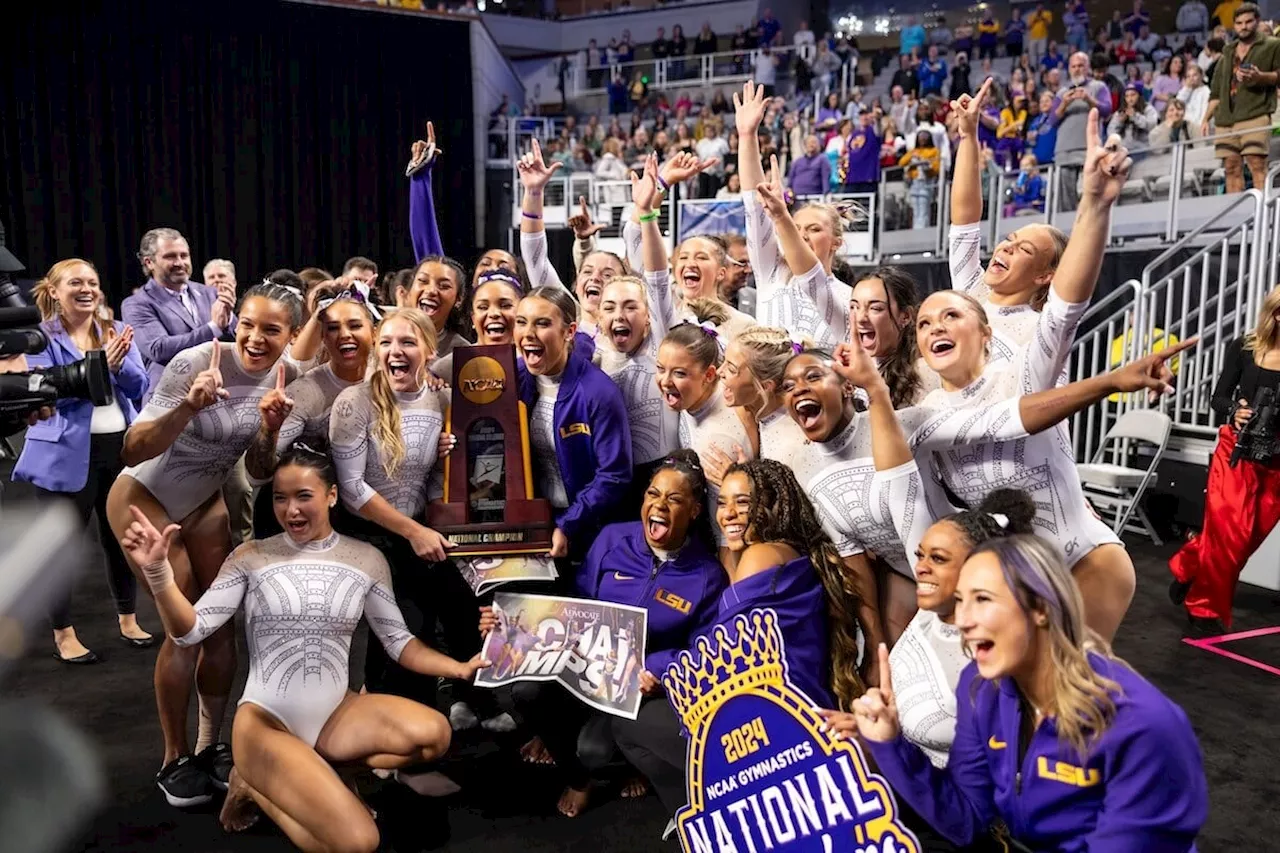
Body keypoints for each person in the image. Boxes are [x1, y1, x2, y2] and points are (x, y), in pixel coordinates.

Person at [119, 445, 486, 850]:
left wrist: (458, 668)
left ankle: (320, 770)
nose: (291, 509)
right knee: (357, 842)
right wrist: (158, 573)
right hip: (266, 723)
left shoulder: (366, 558)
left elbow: (399, 643)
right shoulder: (251, 556)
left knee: (434, 733)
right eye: (280, 497)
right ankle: (253, 786)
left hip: (335, 714)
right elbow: (190, 631)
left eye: (303, 496)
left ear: (331, 496)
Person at [836, 535, 1208, 852]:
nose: (964, 620)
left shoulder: (1143, 726)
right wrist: (889, 744)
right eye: (961, 600)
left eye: (983, 599)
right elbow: (966, 818)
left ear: (1041, 608)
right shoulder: (981, 689)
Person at [106, 281, 303, 807]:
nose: (255, 338)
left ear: (293, 335)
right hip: (143, 495)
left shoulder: (290, 378)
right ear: (235, 319)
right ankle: (174, 758)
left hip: (205, 501)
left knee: (218, 625)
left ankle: (209, 744)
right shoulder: (196, 361)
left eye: (271, 329)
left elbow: (259, 470)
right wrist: (186, 409)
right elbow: (131, 450)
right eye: (248, 324)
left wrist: (269, 429)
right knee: (185, 628)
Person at [613, 459, 867, 825]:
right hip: (796, 724)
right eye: (722, 502)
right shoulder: (786, 554)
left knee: (626, 724)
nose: (729, 514)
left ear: (770, 506)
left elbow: (722, 663)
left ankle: (709, 821)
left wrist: (657, 665)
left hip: (770, 736)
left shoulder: (760, 557)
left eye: (743, 503)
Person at [492, 452, 724, 818]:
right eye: (652, 494)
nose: (659, 505)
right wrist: (509, 626)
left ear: (695, 510)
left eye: (674, 499)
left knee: (593, 750)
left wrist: (657, 670)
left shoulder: (707, 575)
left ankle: (626, 759)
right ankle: (577, 777)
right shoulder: (613, 538)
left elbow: (703, 648)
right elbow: (577, 603)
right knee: (522, 690)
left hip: (636, 687)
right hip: (585, 663)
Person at [13, 259, 154, 663]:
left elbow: (138, 384)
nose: (87, 288)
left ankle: (128, 618)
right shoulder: (37, 338)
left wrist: (115, 364)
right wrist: (98, 367)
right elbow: (42, 391)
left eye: (92, 281)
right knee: (60, 550)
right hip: (61, 456)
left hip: (117, 449)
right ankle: (64, 633)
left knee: (119, 540)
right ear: (54, 291)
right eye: (76, 282)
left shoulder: (111, 332)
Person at [1170, 287, 1280, 629]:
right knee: (1232, 535)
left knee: (1249, 538)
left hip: (1276, 461)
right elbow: (1217, 397)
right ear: (1276, 314)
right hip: (1236, 452)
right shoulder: (1245, 347)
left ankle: (1188, 565)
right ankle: (1204, 607)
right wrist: (1235, 411)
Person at [737, 81, 856, 350]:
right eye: (796, 226)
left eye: (814, 229)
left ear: (836, 241)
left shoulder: (849, 297)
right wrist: (747, 136)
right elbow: (754, 207)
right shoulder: (772, 272)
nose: (801, 234)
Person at [516, 287, 633, 560]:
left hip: (588, 528)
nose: (528, 333)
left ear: (569, 332)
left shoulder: (599, 392)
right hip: (532, 524)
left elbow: (614, 475)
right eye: (521, 322)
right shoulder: (514, 376)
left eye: (542, 323)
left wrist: (568, 524)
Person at [1203, 3, 1280, 192]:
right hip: (1225, 119)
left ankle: (1262, 216)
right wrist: (1206, 118)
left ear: (1257, 21)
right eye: (1238, 23)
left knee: (1256, 164)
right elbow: (1216, 91)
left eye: (1248, 22)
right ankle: (1236, 217)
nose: (1243, 26)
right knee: (1230, 168)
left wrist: (1260, 77)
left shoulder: (1272, 45)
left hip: (1255, 113)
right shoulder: (1227, 51)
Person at [901, 130, 941, 230]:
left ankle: (923, 230)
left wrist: (922, 160)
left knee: (924, 208)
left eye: (925, 136)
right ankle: (916, 229)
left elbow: (936, 168)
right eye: (920, 136)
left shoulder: (934, 150)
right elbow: (901, 162)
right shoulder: (914, 151)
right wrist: (912, 155)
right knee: (916, 209)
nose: (922, 139)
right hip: (915, 182)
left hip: (926, 182)